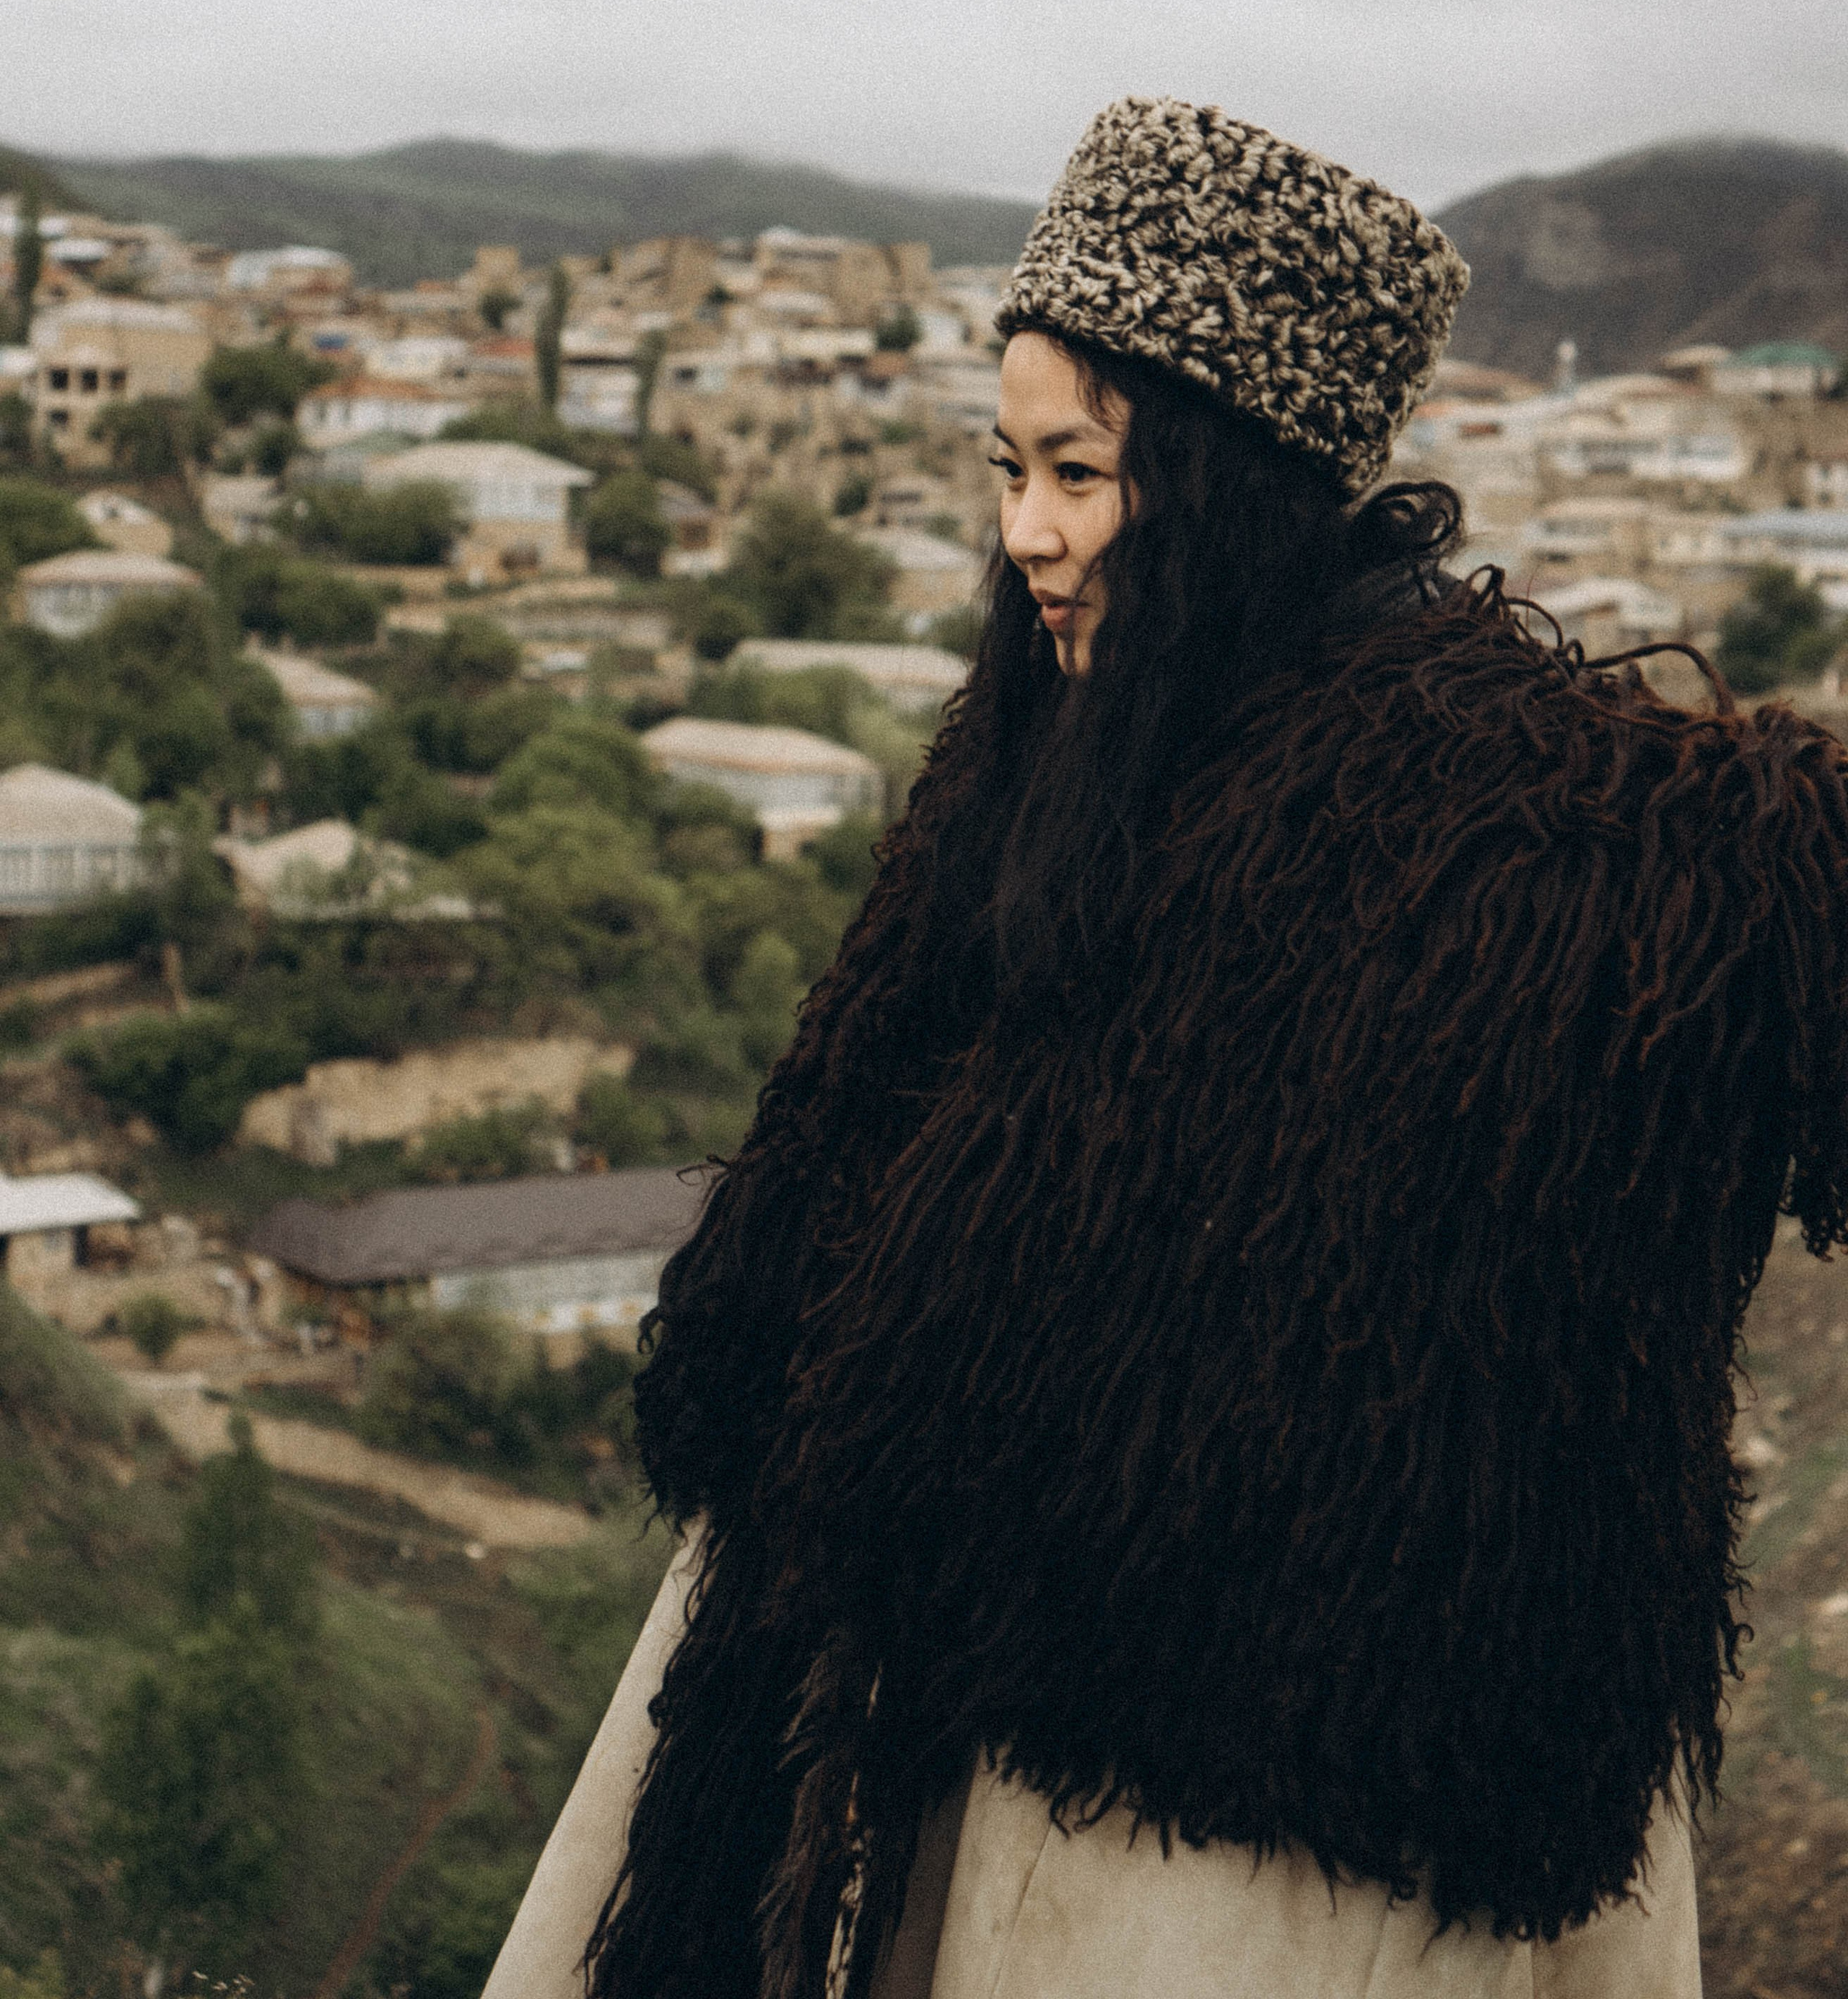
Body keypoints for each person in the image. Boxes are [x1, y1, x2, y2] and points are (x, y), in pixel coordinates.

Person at [484, 98, 1848, 1999]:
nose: (1025, 533)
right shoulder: (1048, 759)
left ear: (1222, 478)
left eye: (1078, 473)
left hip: (1255, 1872)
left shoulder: (1546, 847)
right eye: (1007, 467)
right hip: (909, 1730)